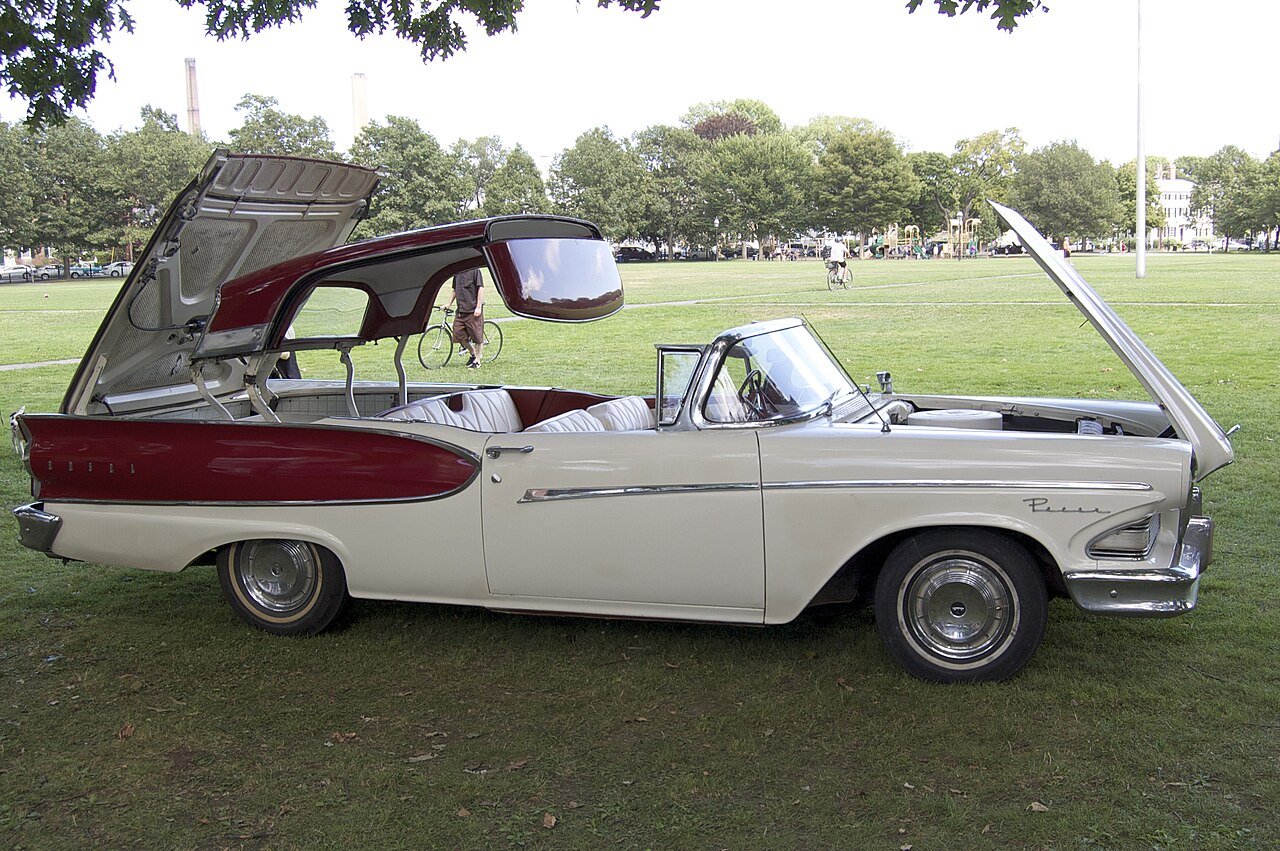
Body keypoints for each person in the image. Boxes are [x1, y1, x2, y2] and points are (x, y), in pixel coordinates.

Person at [443, 267, 485, 368]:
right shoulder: (457, 272)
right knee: (458, 335)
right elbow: (455, 290)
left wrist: (478, 307)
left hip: (473, 311)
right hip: (461, 311)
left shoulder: (475, 271)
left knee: (477, 337)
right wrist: (448, 304)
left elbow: (481, 288)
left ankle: (477, 361)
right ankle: (473, 353)